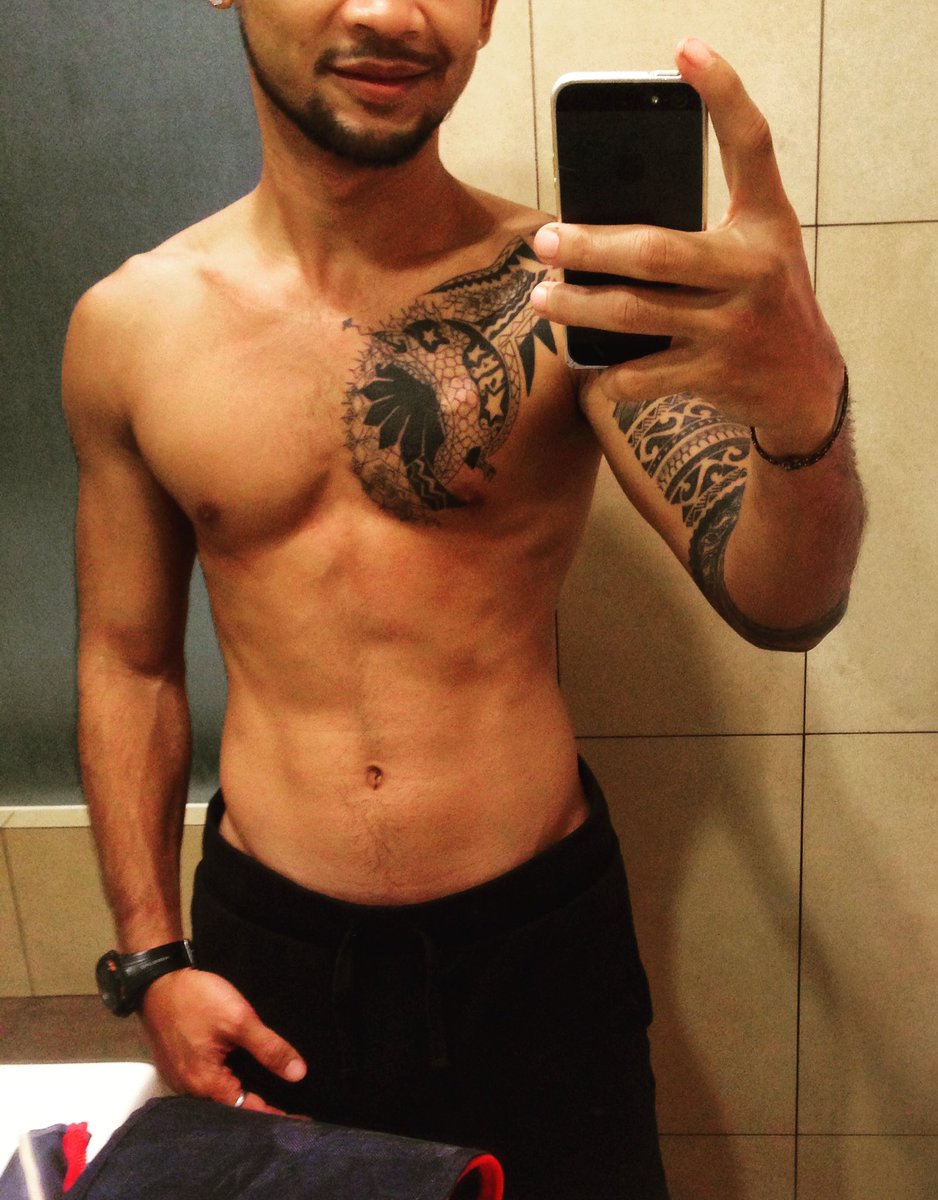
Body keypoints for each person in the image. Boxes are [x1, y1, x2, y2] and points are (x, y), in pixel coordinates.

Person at [65, 2, 865, 1197]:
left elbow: (786, 599)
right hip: (269, 966)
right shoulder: (129, 328)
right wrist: (149, 961)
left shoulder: (570, 291)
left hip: (536, 957)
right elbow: (128, 663)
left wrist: (804, 406)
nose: (392, 11)